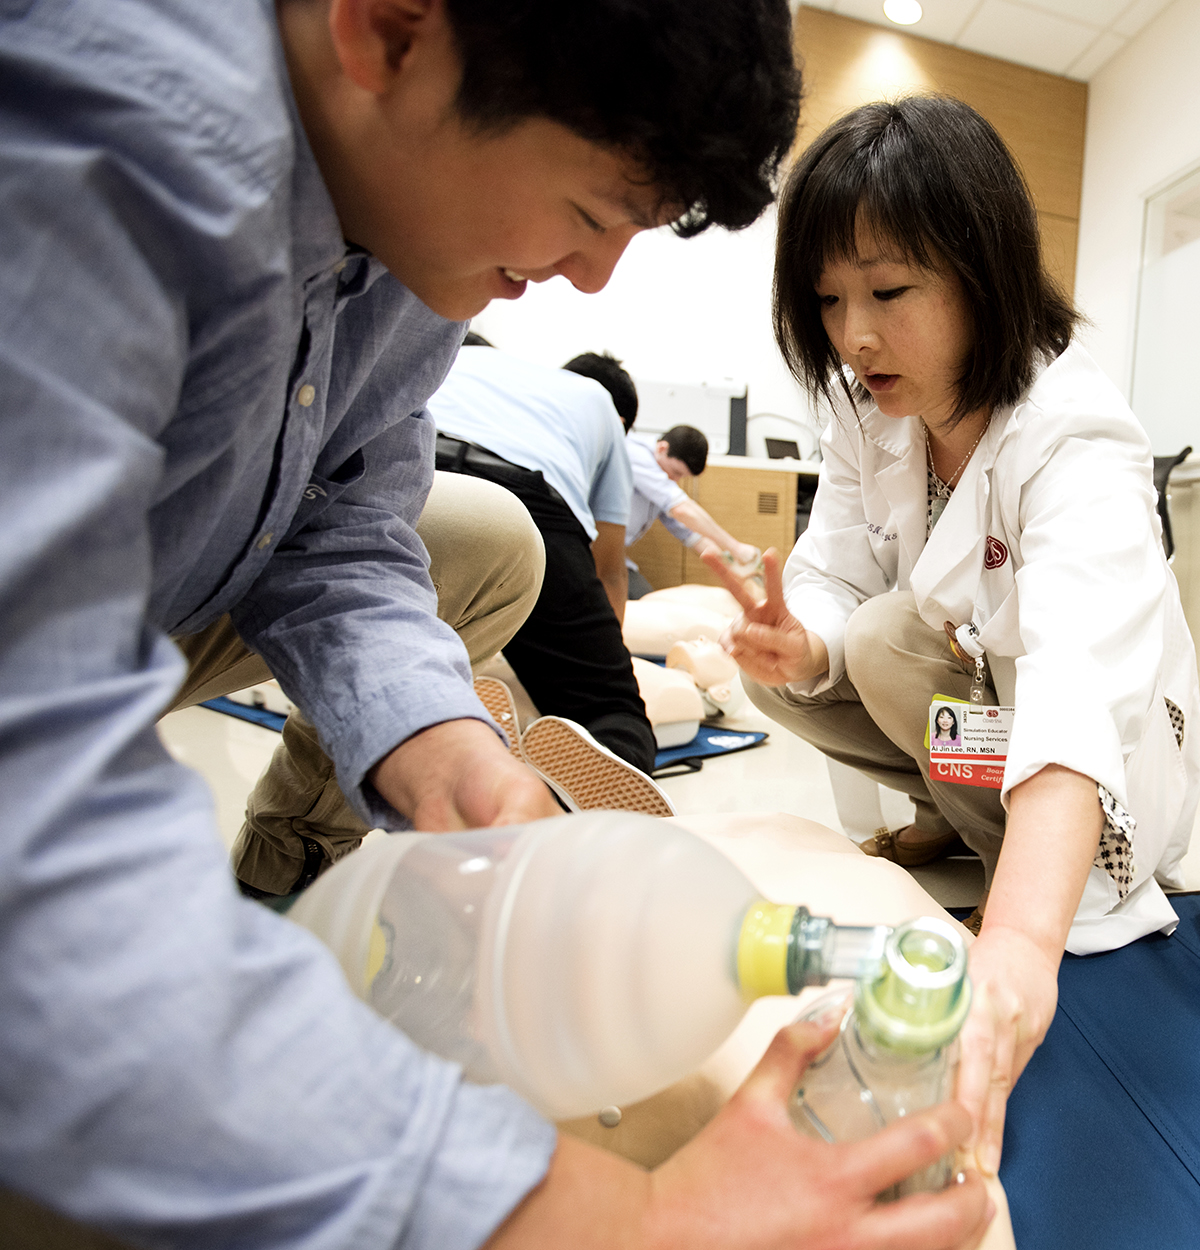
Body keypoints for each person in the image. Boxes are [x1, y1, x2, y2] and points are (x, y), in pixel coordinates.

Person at [0, 0, 990, 1246]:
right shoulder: (97, 144)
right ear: (391, 28)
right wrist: (613, 1219)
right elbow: (37, 839)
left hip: (1007, 756)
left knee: (481, 540)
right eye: (589, 217)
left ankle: (293, 856)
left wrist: (437, 738)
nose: (590, 279)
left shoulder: (404, 242)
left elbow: (345, 521)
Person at [709, 95, 1200, 1181]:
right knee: (786, 668)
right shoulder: (868, 401)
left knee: (889, 640)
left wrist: (1019, 949)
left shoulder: (1075, 432)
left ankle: (1016, 868)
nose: (854, 334)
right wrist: (802, 642)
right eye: (829, 299)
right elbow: (833, 559)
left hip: (1100, 765)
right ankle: (957, 820)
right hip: (968, 700)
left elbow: (1076, 684)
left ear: (983, 271)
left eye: (888, 291)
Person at [430, 336, 656, 775]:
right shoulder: (600, 405)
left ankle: (450, 720)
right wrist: (601, 664)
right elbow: (609, 569)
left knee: (392, 661)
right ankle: (553, 807)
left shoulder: (461, 355)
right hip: (523, 502)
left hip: (410, 478)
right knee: (613, 716)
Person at [617, 414, 764, 595]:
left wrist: (734, 570)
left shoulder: (661, 476)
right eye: (676, 472)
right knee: (640, 606)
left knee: (645, 599)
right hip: (591, 553)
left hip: (616, 557)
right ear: (662, 448)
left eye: (682, 476)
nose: (676, 480)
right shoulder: (635, 453)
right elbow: (682, 510)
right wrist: (735, 547)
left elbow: (693, 536)